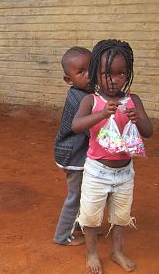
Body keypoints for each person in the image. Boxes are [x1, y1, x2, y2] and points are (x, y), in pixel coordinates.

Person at [72, 39, 153, 273]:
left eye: (120, 73)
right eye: (106, 73)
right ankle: (92, 253)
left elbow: (148, 132)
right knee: (90, 217)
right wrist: (100, 115)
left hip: (125, 172)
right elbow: (76, 126)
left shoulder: (132, 100)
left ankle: (117, 251)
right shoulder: (91, 100)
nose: (113, 79)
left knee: (121, 216)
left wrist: (137, 118)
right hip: (97, 171)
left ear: (127, 75)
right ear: (96, 73)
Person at [53, 46, 92, 246]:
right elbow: (90, 130)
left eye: (91, 69)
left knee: (85, 192)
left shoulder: (86, 93)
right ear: (69, 80)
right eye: (81, 72)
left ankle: (80, 224)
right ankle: (62, 236)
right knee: (75, 196)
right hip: (72, 155)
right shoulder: (81, 99)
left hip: (77, 152)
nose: (89, 75)